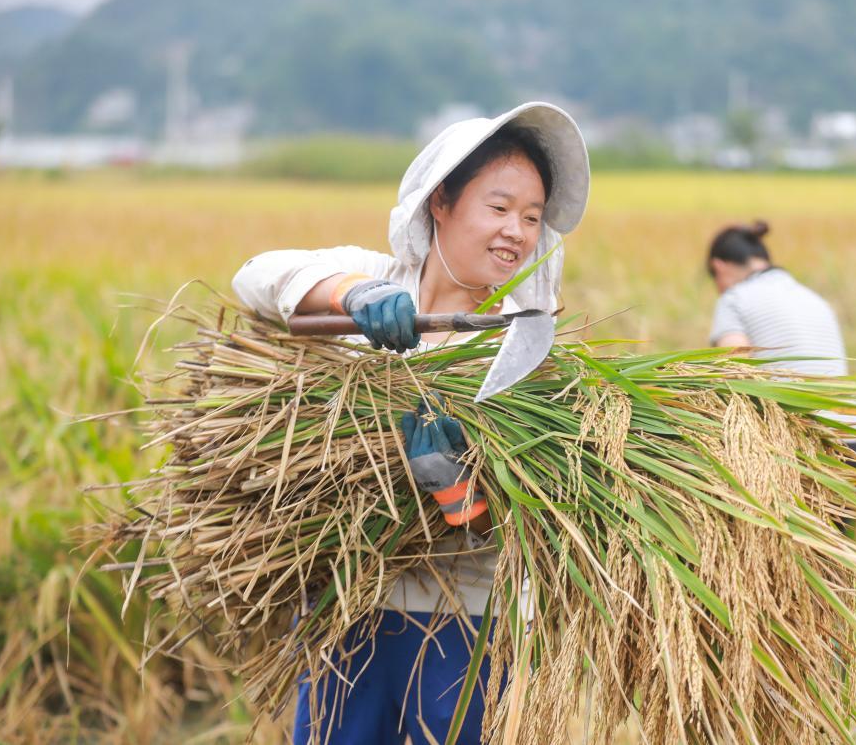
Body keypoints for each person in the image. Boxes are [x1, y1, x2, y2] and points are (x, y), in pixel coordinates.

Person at [231, 102, 590, 745]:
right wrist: (353, 297)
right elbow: (253, 278)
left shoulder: (522, 351)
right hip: (346, 608)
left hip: (461, 626)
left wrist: (457, 493)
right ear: (441, 203)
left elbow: (528, 527)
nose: (516, 231)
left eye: (532, 218)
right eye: (499, 207)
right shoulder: (374, 278)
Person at [706, 220, 856, 461]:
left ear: (718, 266)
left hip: (801, 440)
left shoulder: (734, 299)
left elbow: (734, 370)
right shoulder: (813, 298)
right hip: (851, 437)